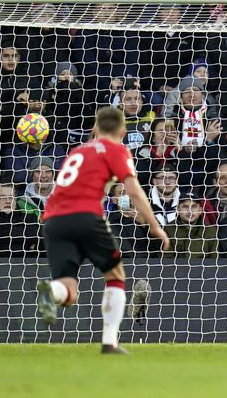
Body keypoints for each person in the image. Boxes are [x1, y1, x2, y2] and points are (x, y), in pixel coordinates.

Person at [36, 106, 169, 354]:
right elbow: (134, 191)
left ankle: (50, 291)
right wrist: (155, 226)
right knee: (116, 276)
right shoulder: (117, 149)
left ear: (95, 129)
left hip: (54, 220)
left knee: (68, 292)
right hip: (85, 215)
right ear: (122, 130)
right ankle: (109, 342)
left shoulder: (77, 151)